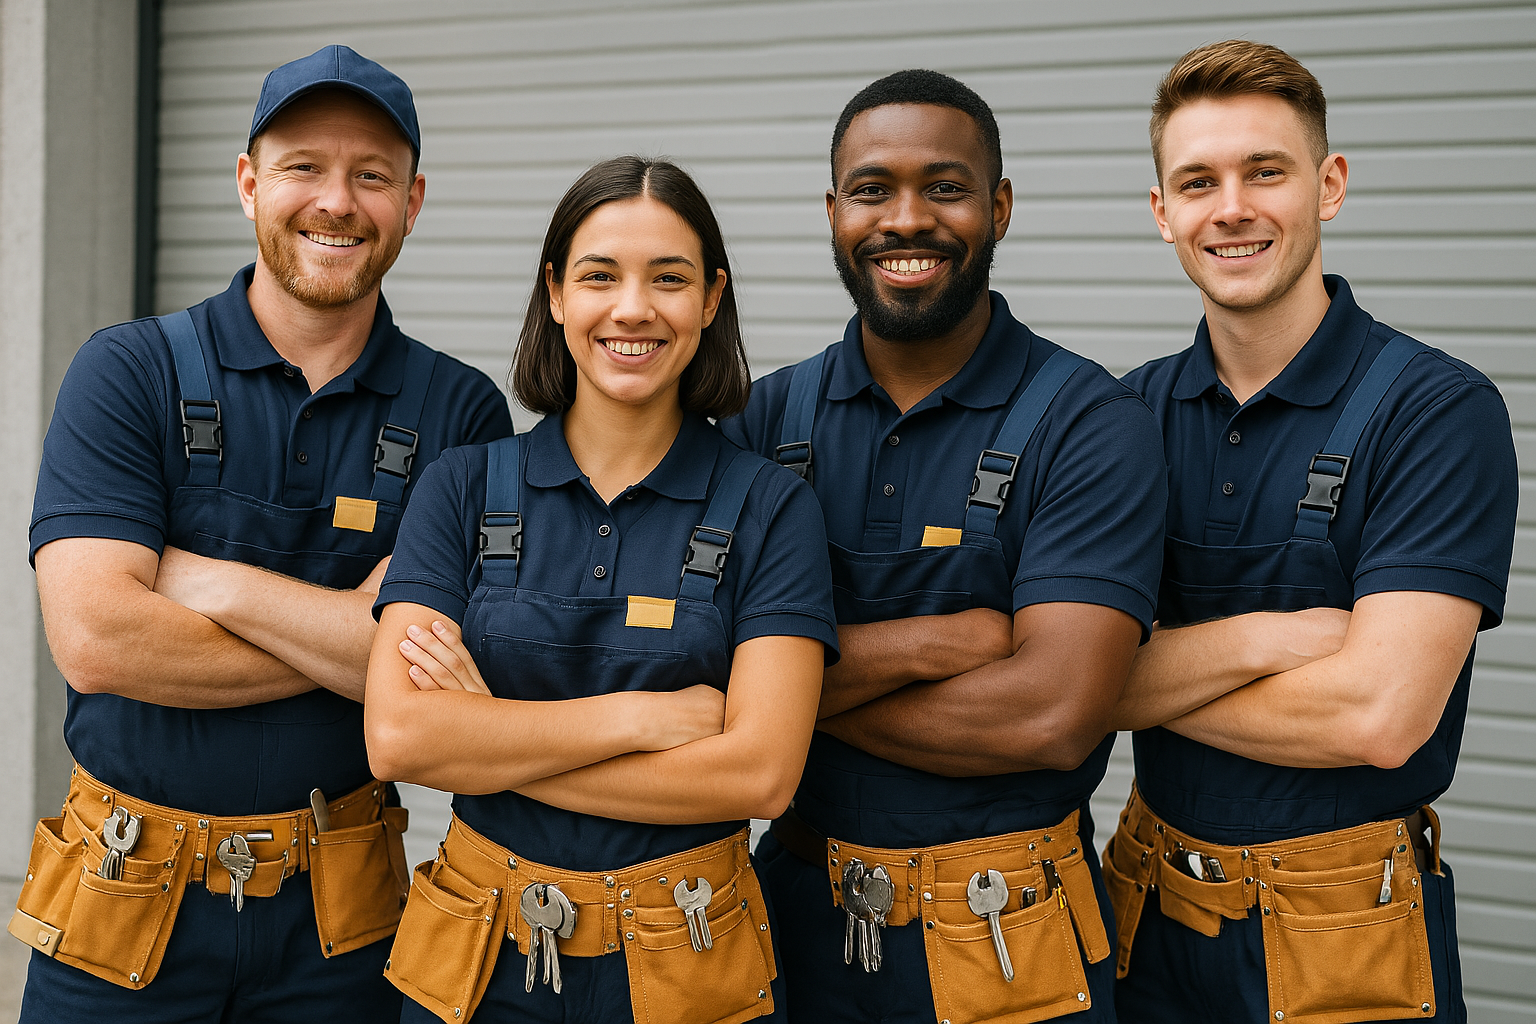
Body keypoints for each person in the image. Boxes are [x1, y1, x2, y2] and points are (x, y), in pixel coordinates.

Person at [13, 44, 513, 1023]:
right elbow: (98, 639)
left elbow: (441, 679)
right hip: (120, 898)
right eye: (304, 168)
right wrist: (352, 629)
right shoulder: (128, 372)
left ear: (413, 202)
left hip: (342, 922)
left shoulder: (461, 414)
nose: (338, 201)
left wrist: (211, 583)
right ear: (249, 183)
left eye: (372, 175)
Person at [720, 70, 1166, 1024]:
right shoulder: (760, 420)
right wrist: (927, 645)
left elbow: (1049, 715)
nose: (907, 219)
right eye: (873, 189)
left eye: (948, 187)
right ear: (833, 210)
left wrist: (778, 706)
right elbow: (689, 676)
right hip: (785, 922)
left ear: (999, 208)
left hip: (1009, 935)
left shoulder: (1090, 421)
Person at [364, 155, 839, 1024]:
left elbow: (762, 774)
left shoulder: (773, 507)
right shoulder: (460, 486)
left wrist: (490, 740)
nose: (632, 308)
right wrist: (636, 720)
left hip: (692, 966)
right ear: (555, 293)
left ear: (710, 298)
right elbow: (398, 736)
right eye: (599, 276)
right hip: (476, 961)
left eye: (669, 278)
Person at [1102, 40, 1518, 1024]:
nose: (1231, 206)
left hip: (1344, 931)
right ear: (1163, 214)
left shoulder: (1435, 410)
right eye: (1198, 180)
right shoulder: (1120, 420)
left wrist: (1134, 682)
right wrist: (1264, 639)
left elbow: (1378, 715)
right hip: (1148, 913)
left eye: (1265, 171)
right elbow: (1060, 682)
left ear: (1328, 186)